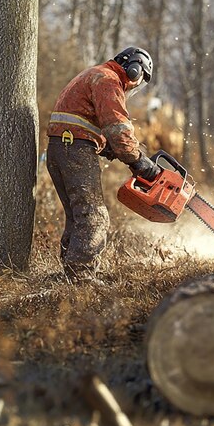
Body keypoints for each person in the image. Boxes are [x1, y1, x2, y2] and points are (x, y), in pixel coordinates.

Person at [46, 47, 160, 281]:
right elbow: (118, 127)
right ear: (134, 68)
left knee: (78, 216)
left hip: (61, 147)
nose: (135, 85)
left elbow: (84, 119)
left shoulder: (95, 74)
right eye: (139, 79)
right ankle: (81, 277)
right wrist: (138, 161)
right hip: (75, 149)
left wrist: (107, 146)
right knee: (94, 216)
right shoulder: (108, 80)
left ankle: (71, 272)